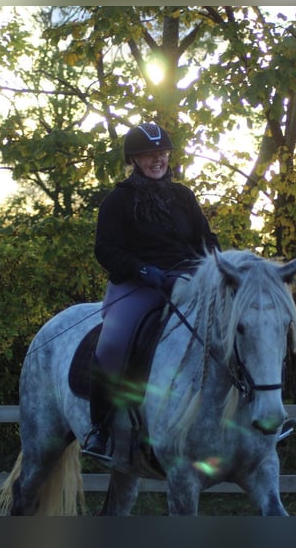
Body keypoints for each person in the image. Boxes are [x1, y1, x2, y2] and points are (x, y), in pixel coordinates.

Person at [82, 122, 220, 461]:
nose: (157, 160)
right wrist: (143, 270)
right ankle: (100, 428)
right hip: (138, 284)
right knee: (113, 344)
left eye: (161, 154)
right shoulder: (118, 200)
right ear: (135, 159)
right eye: (148, 155)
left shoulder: (183, 196)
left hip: (188, 280)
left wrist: (221, 266)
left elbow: (205, 240)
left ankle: (256, 413)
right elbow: (106, 250)